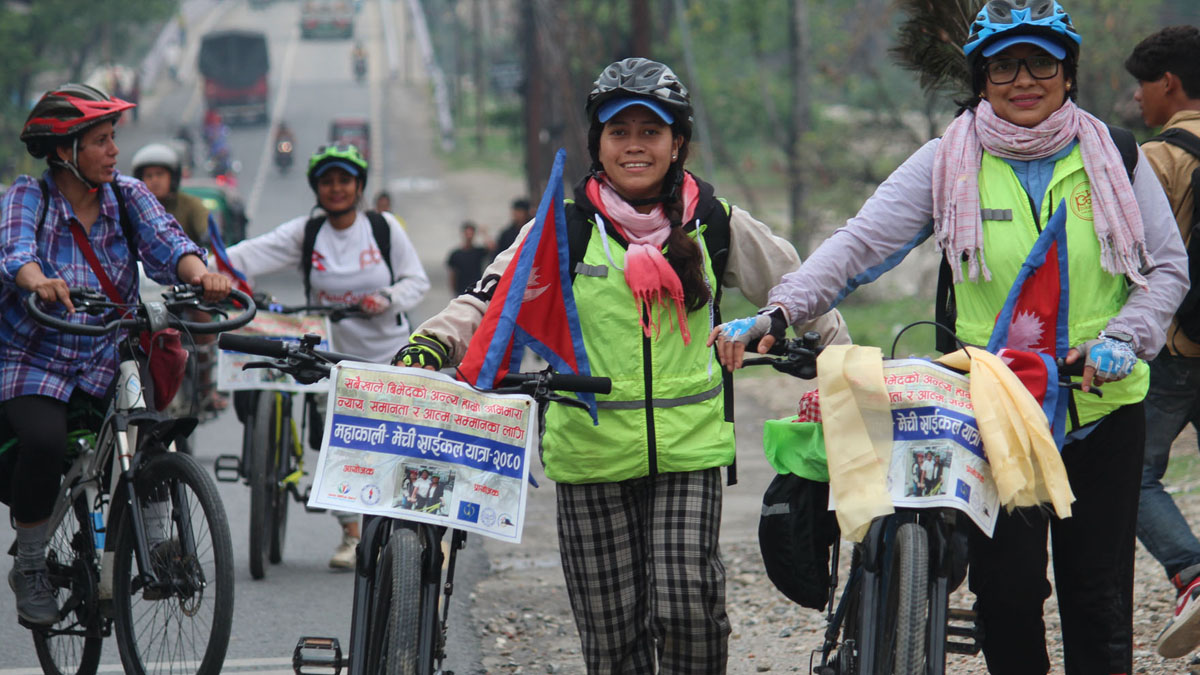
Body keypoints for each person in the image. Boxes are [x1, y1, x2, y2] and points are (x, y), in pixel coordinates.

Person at [712, 2, 1189, 672]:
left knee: (1098, 599)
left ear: (1068, 71)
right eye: (1004, 65)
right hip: (995, 410)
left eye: (1041, 62)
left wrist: (1128, 335)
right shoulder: (947, 160)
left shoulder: (1116, 154)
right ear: (982, 76)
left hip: (1101, 406)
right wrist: (780, 311)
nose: (1024, 79)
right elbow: (859, 244)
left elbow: (1166, 267)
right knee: (1007, 596)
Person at [394, 57, 848, 673]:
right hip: (590, 454)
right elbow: (488, 299)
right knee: (612, 636)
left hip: (689, 453)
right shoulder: (564, 227)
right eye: (619, 133)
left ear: (677, 142)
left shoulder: (713, 220)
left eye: (651, 132)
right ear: (597, 144)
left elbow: (802, 285)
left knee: (689, 602)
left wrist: (844, 366)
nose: (635, 146)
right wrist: (430, 344)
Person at [1, 84, 231, 626]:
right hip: (34, 354)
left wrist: (204, 277)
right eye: (101, 141)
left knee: (151, 431)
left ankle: (160, 549)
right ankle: (31, 564)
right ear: (65, 151)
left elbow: (170, 245)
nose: (114, 152)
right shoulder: (27, 198)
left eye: (113, 140)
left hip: (109, 351)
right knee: (42, 440)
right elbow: (15, 254)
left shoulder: (129, 196)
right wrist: (39, 283)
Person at [220, 143, 429, 569]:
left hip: (389, 353)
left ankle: (417, 530)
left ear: (359, 187)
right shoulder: (306, 233)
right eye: (328, 181)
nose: (336, 189)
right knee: (341, 444)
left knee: (399, 444)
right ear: (317, 188)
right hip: (329, 358)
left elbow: (417, 281)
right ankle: (351, 535)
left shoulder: (384, 228)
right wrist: (202, 269)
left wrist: (386, 297)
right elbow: (244, 256)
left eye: (344, 181)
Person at [1125, 24, 1200, 659]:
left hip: (1175, 352)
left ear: (1168, 83)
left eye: (1140, 87)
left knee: (1130, 472)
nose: (1136, 102)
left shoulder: (1159, 157)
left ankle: (1191, 572)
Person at [445, 221, 490, 295]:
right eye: (467, 234)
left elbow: (491, 248)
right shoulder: (455, 254)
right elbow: (452, 274)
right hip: (461, 290)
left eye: (471, 234)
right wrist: (453, 291)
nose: (469, 236)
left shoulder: (478, 252)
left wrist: (484, 233)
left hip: (476, 289)